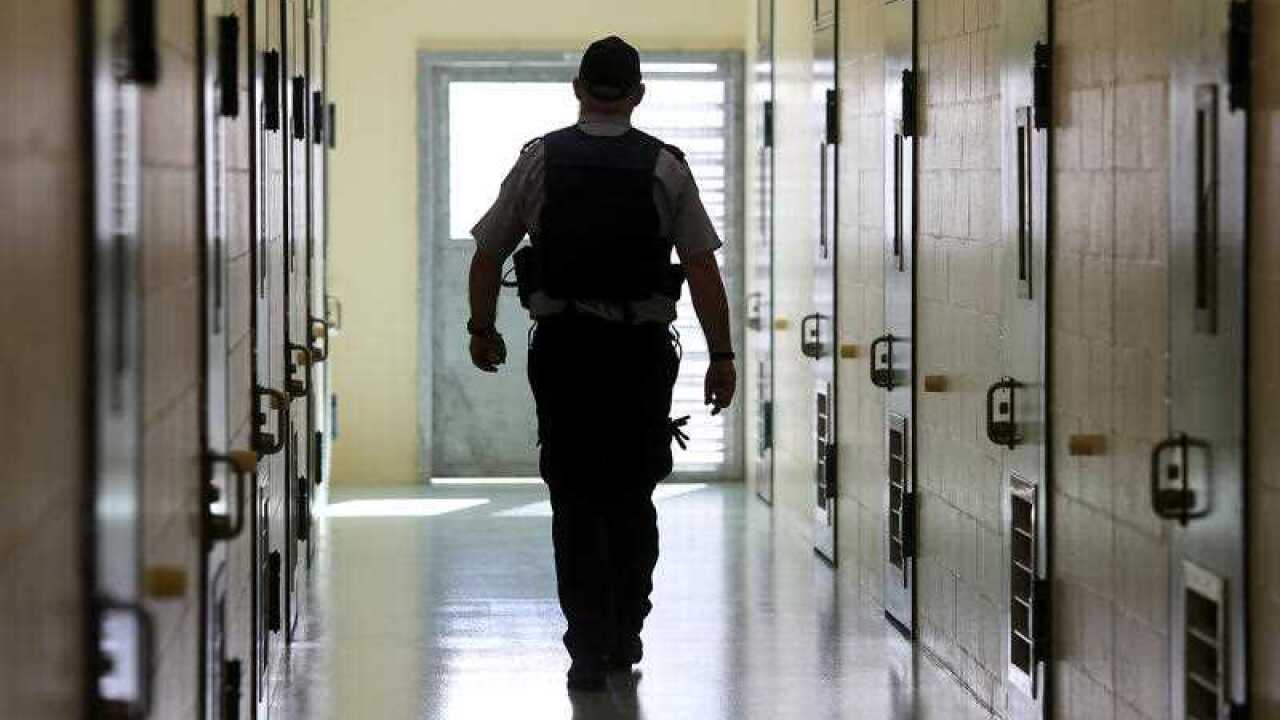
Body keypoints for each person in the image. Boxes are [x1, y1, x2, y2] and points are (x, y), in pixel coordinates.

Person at [465, 36, 736, 692]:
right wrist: (722, 356)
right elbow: (701, 268)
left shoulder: (539, 160)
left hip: (565, 353)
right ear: (638, 94)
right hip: (640, 358)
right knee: (631, 494)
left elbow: (488, 251)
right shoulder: (665, 166)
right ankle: (625, 630)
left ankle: (586, 647)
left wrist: (483, 329)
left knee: (574, 498)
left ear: (578, 89)